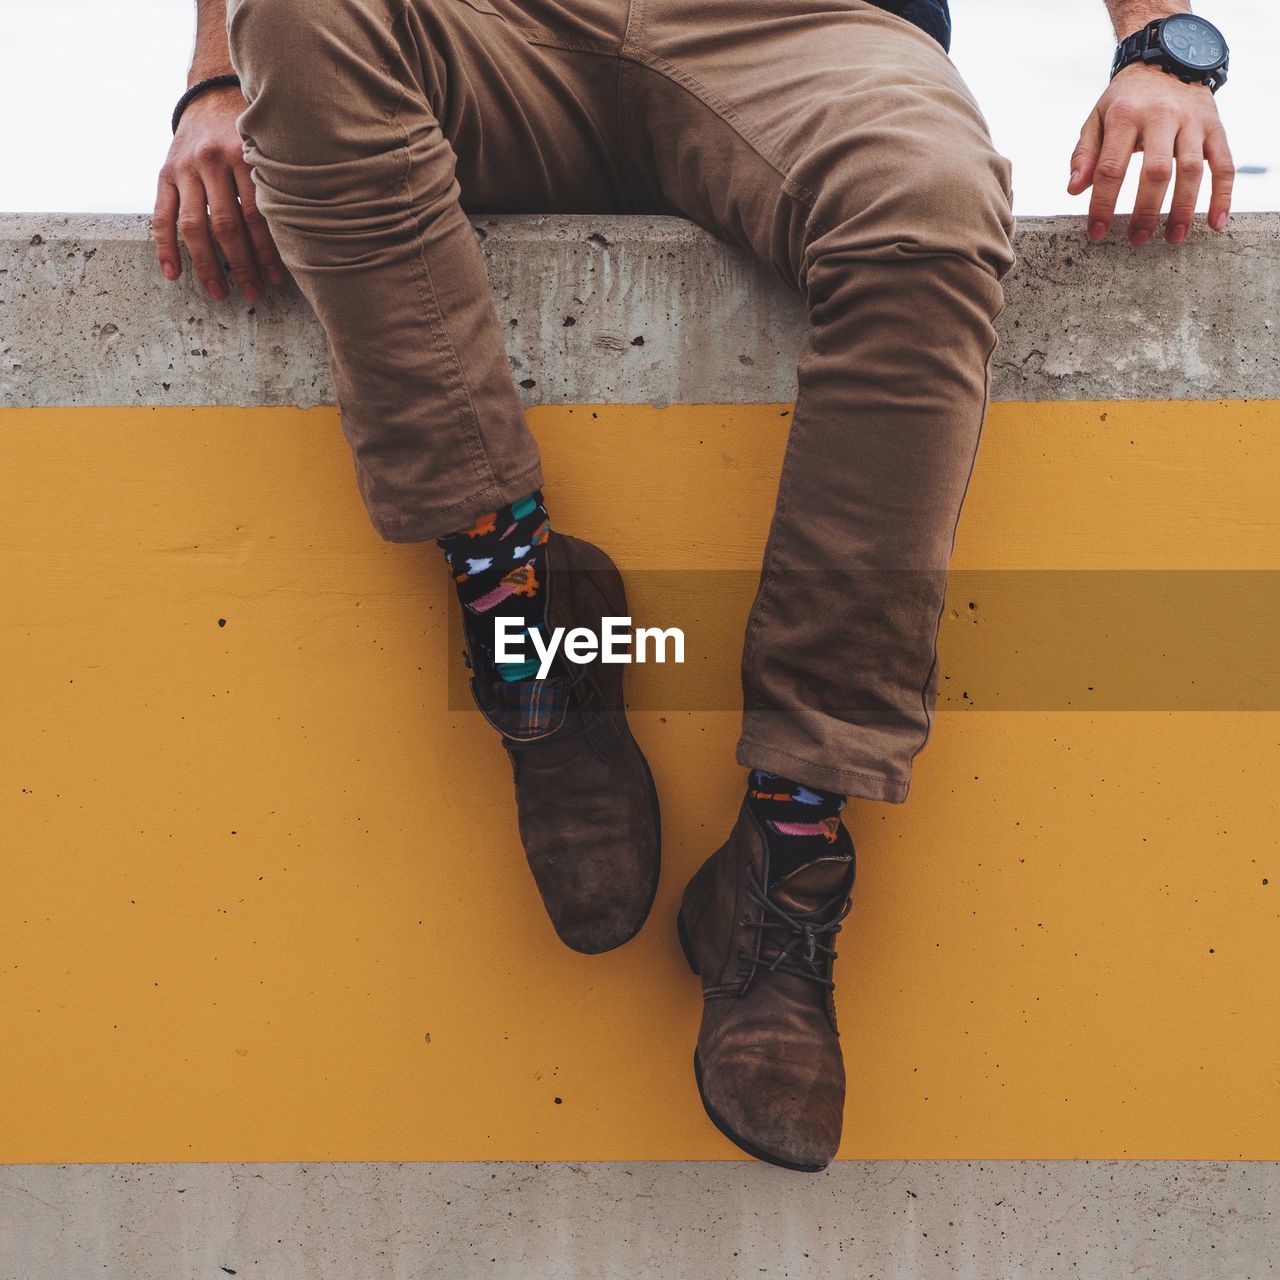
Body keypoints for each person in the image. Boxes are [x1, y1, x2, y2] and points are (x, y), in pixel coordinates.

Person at [155, 0, 1235, 1172]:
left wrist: (1160, 44)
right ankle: (521, 608)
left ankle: (790, 845)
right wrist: (221, 82)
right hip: (494, 28)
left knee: (927, 203)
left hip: (808, 33)